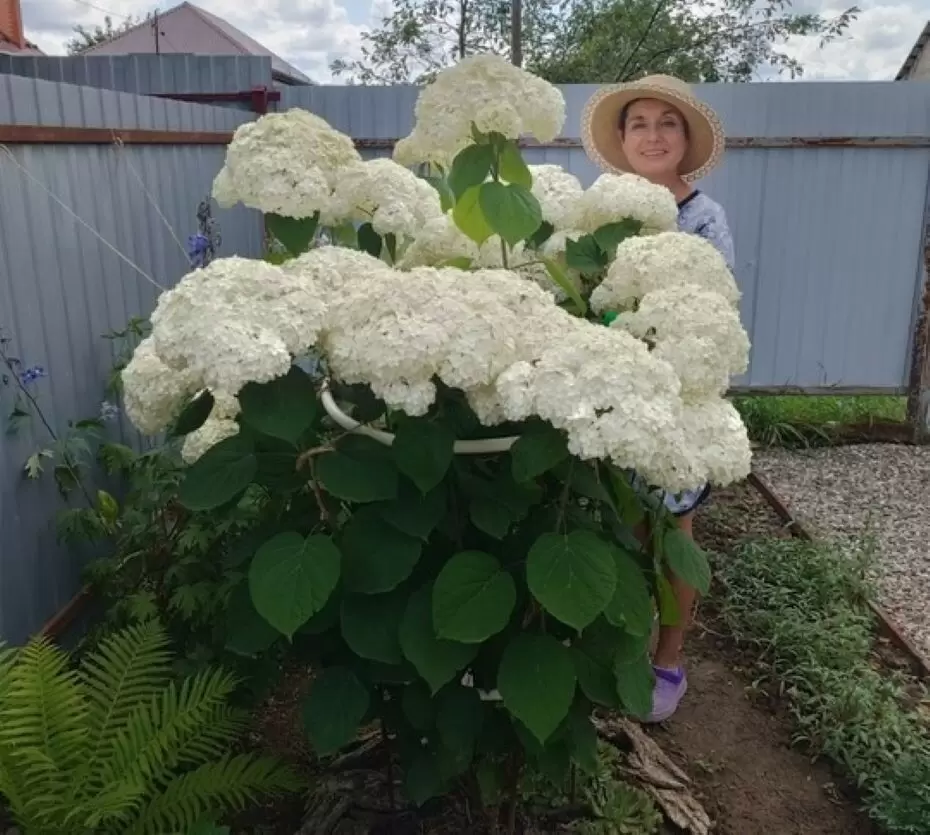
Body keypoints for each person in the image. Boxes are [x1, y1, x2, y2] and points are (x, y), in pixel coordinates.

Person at [580, 75, 735, 723]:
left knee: (674, 535)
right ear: (620, 139)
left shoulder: (703, 217)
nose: (652, 134)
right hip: (608, 398)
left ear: (685, 140)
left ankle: (668, 656)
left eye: (666, 123)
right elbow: (581, 292)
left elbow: (717, 312)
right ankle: (614, 652)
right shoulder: (600, 212)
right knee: (618, 529)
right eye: (638, 122)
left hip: (676, 400)